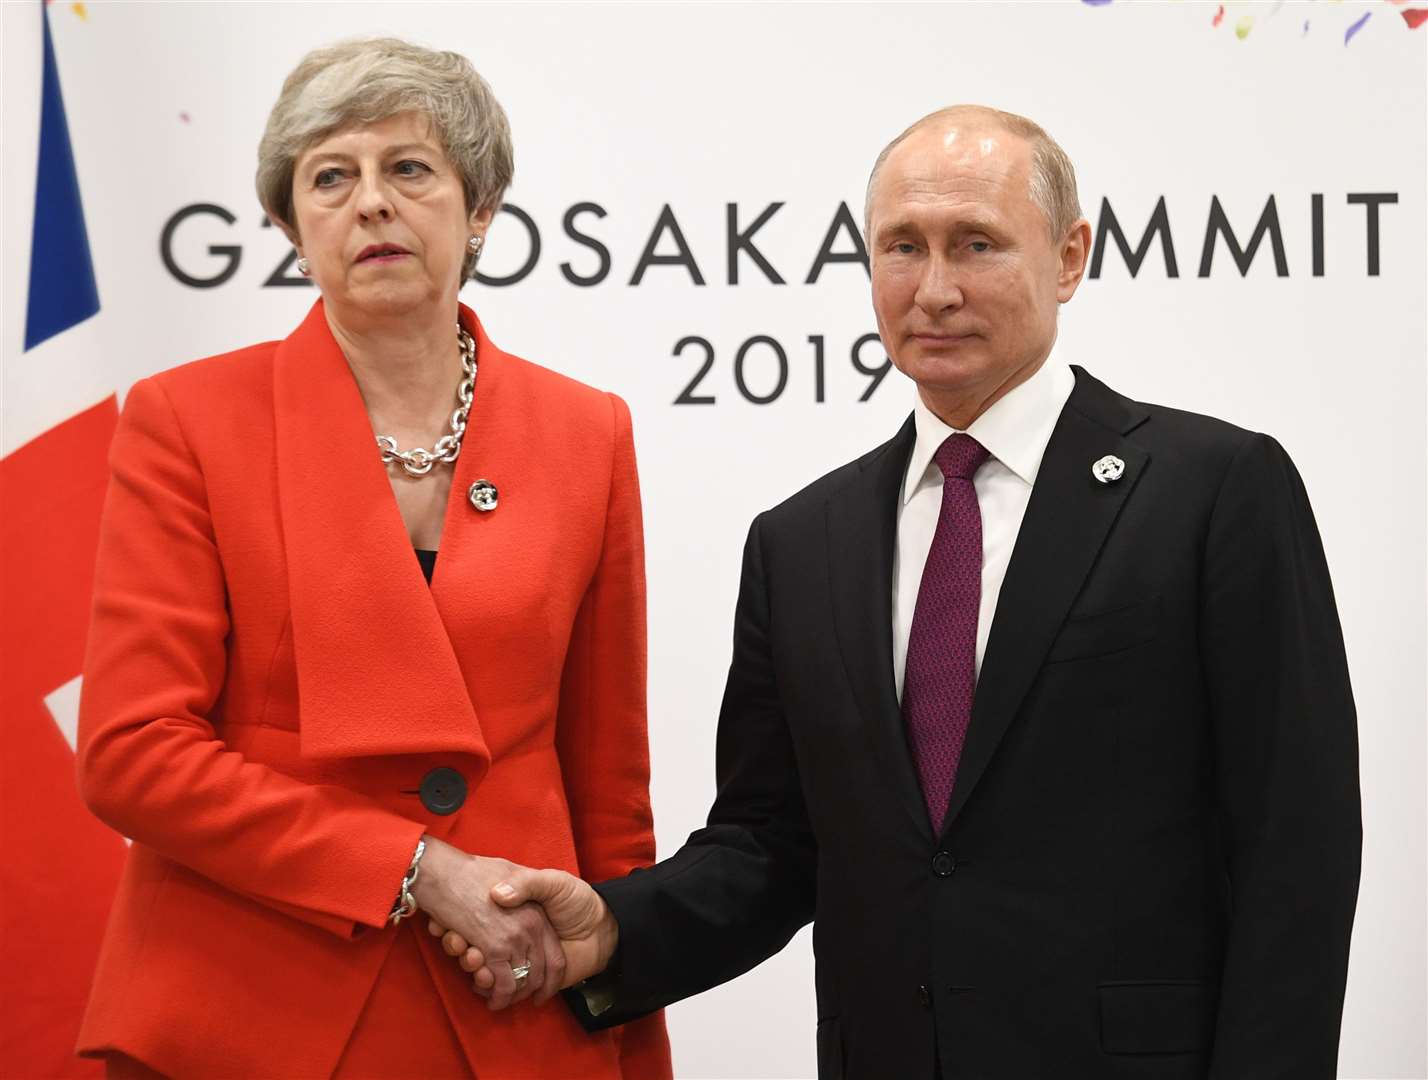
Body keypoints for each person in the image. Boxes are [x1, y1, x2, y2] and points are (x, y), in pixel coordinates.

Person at [439, 106, 1363, 1079]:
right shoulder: (802, 540)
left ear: (1069, 256)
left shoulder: (1213, 489)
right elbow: (771, 843)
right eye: (901, 248)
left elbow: (1294, 845)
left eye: (977, 245)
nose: (933, 290)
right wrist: (617, 932)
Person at [74, 37, 670, 1080]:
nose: (371, 204)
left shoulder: (589, 433)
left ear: (478, 208)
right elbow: (132, 752)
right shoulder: (187, 421)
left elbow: (608, 785)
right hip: (249, 1002)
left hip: (510, 1000)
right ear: (290, 225)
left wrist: (626, 1026)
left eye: (408, 168)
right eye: (330, 178)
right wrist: (412, 867)